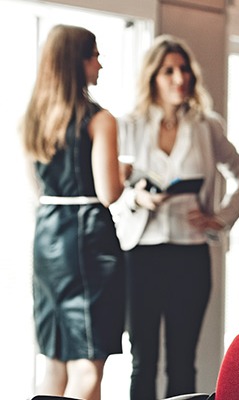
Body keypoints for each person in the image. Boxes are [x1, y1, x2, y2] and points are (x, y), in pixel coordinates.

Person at [110, 35, 239, 399]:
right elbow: (108, 191)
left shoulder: (208, 126)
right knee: (142, 362)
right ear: (152, 77)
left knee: (182, 363)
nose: (180, 78)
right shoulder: (127, 126)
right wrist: (135, 198)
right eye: (169, 71)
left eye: (185, 70)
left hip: (190, 255)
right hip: (140, 254)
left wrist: (220, 218)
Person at [23, 24, 124, 400]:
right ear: (76, 62)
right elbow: (108, 192)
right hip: (88, 242)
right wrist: (122, 173)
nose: (100, 64)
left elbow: (37, 192)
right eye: (94, 55)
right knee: (87, 365)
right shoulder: (99, 119)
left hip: (47, 237)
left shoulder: (35, 120)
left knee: (55, 362)